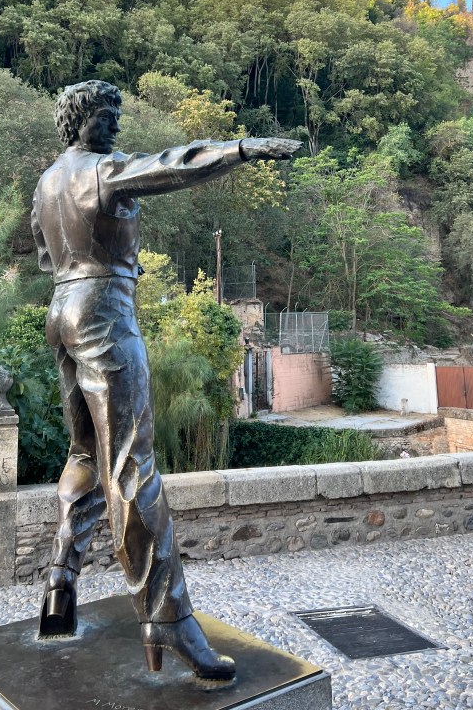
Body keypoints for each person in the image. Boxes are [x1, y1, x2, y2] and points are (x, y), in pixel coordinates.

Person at [31, 80, 300, 680]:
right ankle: (167, 617)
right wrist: (241, 149)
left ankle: (60, 584)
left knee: (84, 454)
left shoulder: (46, 183)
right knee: (132, 463)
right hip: (104, 311)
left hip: (61, 311)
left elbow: (46, 256)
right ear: (78, 119)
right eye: (106, 114)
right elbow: (173, 165)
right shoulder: (100, 171)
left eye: (117, 113)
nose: (116, 123)